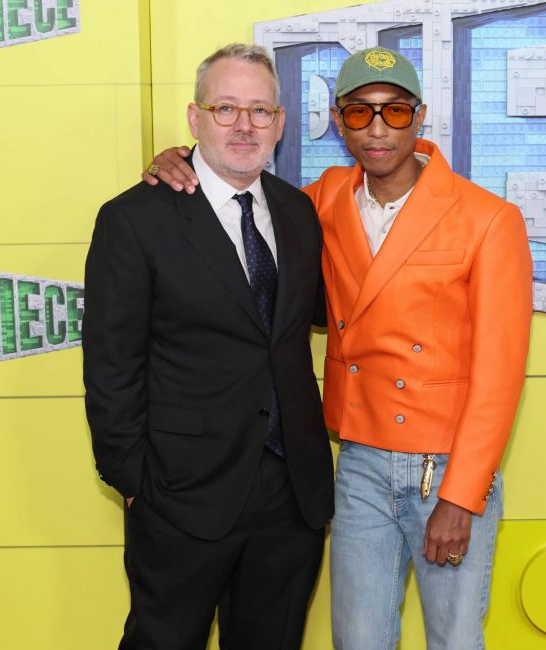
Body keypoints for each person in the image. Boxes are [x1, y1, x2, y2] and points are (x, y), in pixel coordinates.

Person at [144, 46, 531, 649]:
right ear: (339, 119)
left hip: (445, 466)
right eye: (359, 113)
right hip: (357, 464)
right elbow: (235, 195)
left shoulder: (487, 219)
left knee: (455, 640)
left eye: (395, 112)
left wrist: (463, 495)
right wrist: (178, 162)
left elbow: (501, 373)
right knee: (357, 641)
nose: (377, 129)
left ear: (420, 115)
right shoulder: (315, 202)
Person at [83, 43, 332, 650]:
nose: (244, 125)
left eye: (260, 110)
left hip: (291, 494)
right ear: (195, 120)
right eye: (225, 108)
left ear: (280, 122)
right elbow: (112, 365)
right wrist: (136, 480)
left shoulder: (300, 212)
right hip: (180, 493)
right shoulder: (135, 219)